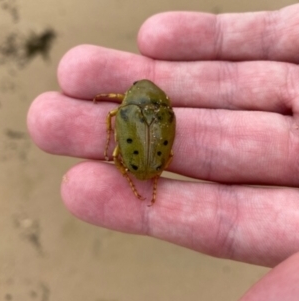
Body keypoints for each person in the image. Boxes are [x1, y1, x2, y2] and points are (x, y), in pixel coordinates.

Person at [27, 4, 299, 300]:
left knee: (120, 153)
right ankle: (143, 179)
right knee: (126, 155)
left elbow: (109, 117)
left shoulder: (124, 110)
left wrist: (110, 138)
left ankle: (135, 180)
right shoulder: (166, 113)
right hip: (155, 161)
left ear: (129, 96)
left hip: (140, 158)